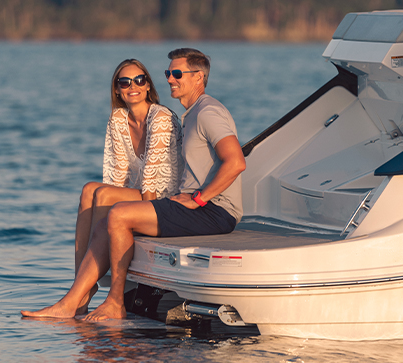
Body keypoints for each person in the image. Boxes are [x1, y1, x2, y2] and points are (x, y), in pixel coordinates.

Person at [22, 48, 244, 321]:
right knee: (98, 202)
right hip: (197, 206)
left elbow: (235, 162)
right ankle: (77, 296)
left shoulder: (207, 112)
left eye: (177, 74)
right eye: (168, 73)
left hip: (214, 211)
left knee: (117, 214)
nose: (170, 79)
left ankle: (112, 301)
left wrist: (198, 198)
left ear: (198, 77)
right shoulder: (193, 113)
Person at [21, 59, 182, 317]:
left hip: (164, 198)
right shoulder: (119, 119)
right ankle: (82, 289)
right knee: (90, 190)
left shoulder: (161, 118)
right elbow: (118, 177)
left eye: (140, 80)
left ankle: (73, 298)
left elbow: (152, 183)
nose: (133, 86)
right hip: (139, 192)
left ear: (149, 86)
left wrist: (130, 216)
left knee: (103, 194)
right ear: (117, 89)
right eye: (124, 82)